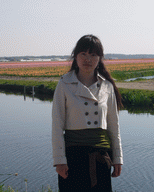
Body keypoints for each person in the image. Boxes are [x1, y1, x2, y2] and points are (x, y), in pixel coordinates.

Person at [52, 34, 123, 192]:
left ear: (100, 58)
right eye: (83, 54)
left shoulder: (107, 87)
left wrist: (117, 158)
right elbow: (57, 125)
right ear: (75, 56)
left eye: (93, 55)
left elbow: (114, 125)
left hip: (101, 157)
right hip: (73, 158)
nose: (87, 59)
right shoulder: (64, 84)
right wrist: (59, 161)